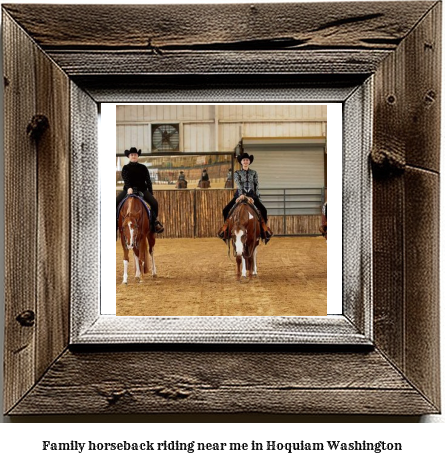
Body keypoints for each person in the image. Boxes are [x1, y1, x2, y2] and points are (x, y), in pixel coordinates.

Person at [218, 153, 273, 243]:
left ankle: (264, 231)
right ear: (241, 162)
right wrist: (241, 195)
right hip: (239, 195)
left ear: (249, 162)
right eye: (244, 160)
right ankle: (226, 231)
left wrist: (257, 197)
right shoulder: (237, 173)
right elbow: (239, 184)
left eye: (247, 160)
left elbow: (256, 185)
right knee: (225, 210)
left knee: (264, 210)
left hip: (252, 195)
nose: (245, 162)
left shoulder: (254, 173)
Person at [116, 147, 164, 233]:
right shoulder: (125, 168)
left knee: (154, 203)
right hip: (128, 190)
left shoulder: (143, 168)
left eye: (135, 154)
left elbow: (148, 180)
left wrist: (150, 192)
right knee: (115, 202)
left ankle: (154, 222)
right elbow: (126, 179)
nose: (133, 156)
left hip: (142, 190)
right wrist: (129, 187)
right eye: (132, 155)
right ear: (129, 156)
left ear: (137, 156)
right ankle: (115, 223)